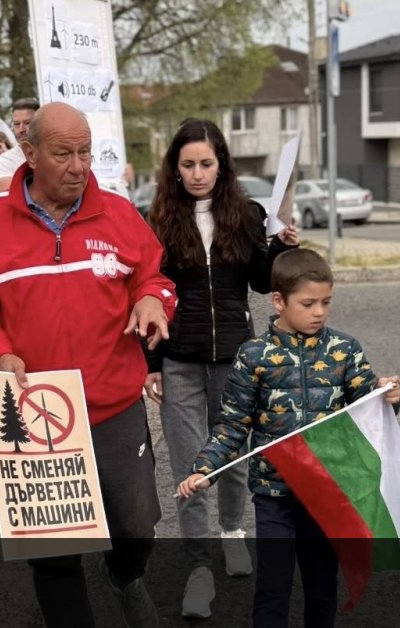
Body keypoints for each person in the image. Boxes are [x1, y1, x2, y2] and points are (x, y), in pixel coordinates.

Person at [0, 102, 176, 628]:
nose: (79, 166)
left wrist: (151, 301)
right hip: (34, 412)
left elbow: (155, 275)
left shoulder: (118, 213)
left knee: (137, 527)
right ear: (29, 153)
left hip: (115, 406)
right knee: (55, 553)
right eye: (63, 154)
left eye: (85, 152)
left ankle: (123, 575)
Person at [178, 248, 400, 628]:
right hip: (273, 496)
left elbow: (369, 412)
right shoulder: (253, 355)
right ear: (278, 300)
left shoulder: (344, 349)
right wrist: (205, 469)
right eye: (309, 303)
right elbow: (232, 425)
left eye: (326, 302)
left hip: (326, 491)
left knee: (321, 588)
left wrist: (391, 395)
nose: (319, 312)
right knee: (272, 587)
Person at [145, 118, 299, 619]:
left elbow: (259, 283)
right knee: (191, 466)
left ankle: (233, 531)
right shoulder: (160, 220)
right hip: (179, 360)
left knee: (234, 457)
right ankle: (198, 570)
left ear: (221, 164)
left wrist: (280, 247)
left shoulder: (247, 213)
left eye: (205, 164)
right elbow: (147, 292)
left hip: (237, 357)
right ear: (174, 168)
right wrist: (151, 364)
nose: (196, 174)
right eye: (187, 165)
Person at [0, 97, 40, 192]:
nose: (21, 130)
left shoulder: (55, 153)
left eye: (27, 123)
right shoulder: (4, 161)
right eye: (17, 124)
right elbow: (8, 196)